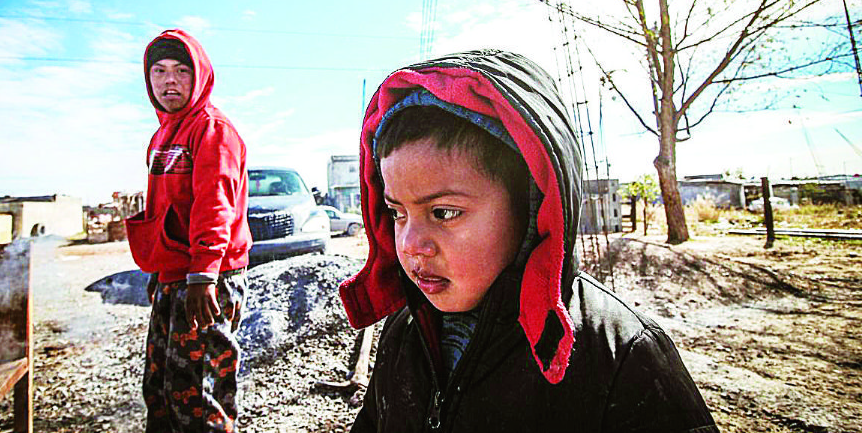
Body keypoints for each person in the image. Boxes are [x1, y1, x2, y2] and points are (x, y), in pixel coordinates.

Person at [339, 49, 719, 432]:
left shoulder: (620, 356)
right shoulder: (406, 328)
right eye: (397, 214)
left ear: (533, 204)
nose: (409, 243)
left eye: (443, 212)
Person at [126, 28, 252, 433]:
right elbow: (164, 209)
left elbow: (215, 200)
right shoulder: (161, 136)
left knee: (198, 395)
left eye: (182, 71)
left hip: (208, 279)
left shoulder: (212, 129)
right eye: (159, 71)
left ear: (199, 76)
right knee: (162, 387)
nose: (170, 81)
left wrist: (203, 275)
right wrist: (159, 273)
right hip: (173, 278)